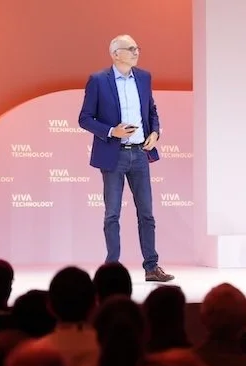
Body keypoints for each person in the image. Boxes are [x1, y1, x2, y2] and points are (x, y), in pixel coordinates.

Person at [78, 34, 173, 282]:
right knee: (112, 214)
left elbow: (151, 110)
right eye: (130, 48)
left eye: (137, 48)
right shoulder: (98, 80)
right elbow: (84, 118)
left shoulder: (144, 77)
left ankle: (151, 267)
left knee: (147, 213)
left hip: (140, 153)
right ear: (115, 53)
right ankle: (112, 271)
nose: (136, 52)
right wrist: (112, 131)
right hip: (114, 154)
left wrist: (155, 132)